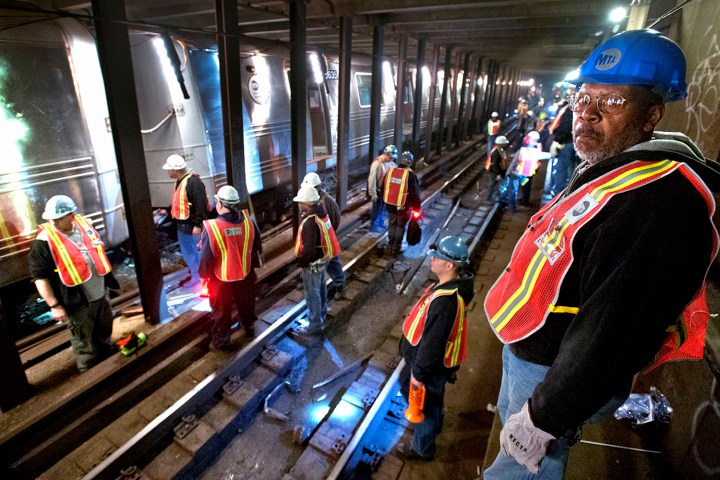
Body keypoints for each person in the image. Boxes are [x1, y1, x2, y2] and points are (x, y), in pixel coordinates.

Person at [483, 29, 720, 479]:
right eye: (582, 98)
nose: (587, 115)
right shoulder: (621, 170)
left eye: (611, 102)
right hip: (538, 354)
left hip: (553, 373)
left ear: (651, 114)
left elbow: (612, 330)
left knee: (520, 470)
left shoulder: (656, 206)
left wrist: (544, 418)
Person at [399, 236, 474, 461]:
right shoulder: (449, 287)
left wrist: (419, 375)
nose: (432, 258)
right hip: (426, 364)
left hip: (429, 368)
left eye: (438, 256)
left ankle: (423, 450)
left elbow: (432, 345)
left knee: (427, 407)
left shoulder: (445, 302)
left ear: (449, 265)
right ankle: (433, 423)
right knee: (424, 399)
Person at [29, 195, 119, 372]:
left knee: (104, 329)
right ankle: (89, 371)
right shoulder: (44, 241)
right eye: (51, 219)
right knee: (84, 340)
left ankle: (107, 358)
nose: (53, 222)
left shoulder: (85, 226)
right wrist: (54, 305)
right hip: (77, 302)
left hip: (100, 292)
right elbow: (40, 277)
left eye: (58, 218)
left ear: (71, 216)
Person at [198, 186, 262, 350]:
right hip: (245, 273)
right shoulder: (249, 221)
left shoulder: (212, 228)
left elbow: (206, 256)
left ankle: (222, 340)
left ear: (220, 204)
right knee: (246, 303)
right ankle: (249, 328)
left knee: (221, 310)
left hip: (221, 278)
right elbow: (257, 246)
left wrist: (204, 275)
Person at [293, 186, 342, 335]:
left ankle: (315, 325)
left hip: (313, 264)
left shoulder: (310, 222)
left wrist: (301, 262)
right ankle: (321, 315)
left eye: (300, 202)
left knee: (312, 293)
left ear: (307, 204)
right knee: (321, 289)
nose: (298, 204)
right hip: (323, 259)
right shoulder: (322, 213)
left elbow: (309, 250)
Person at [162, 154, 210, 286]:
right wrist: (166, 211)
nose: (168, 171)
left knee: (198, 254)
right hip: (182, 227)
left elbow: (200, 204)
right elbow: (179, 202)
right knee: (189, 254)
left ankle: (205, 281)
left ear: (175, 170)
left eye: (169, 169)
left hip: (192, 228)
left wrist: (198, 225)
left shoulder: (193, 182)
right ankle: (196, 278)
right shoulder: (179, 182)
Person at [302, 172, 346, 300]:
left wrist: (327, 235)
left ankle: (340, 285)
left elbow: (336, 218)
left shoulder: (326, 202)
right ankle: (339, 284)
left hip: (325, 240)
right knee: (329, 261)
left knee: (330, 262)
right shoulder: (315, 199)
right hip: (319, 240)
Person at [500, 131, 550, 211]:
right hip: (527, 175)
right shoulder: (537, 152)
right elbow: (548, 156)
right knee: (526, 188)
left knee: (513, 190)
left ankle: (512, 207)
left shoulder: (522, 150)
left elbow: (513, 163)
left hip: (516, 173)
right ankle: (524, 201)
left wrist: (507, 173)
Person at [383, 151, 421, 256]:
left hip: (390, 204)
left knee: (391, 225)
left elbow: (383, 187)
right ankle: (395, 249)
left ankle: (389, 245)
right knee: (400, 226)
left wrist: (385, 202)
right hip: (403, 206)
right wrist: (417, 209)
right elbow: (415, 194)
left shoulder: (390, 171)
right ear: (410, 162)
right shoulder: (411, 175)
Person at [548, 92, 581, 196]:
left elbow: (565, 126)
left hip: (566, 143)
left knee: (561, 169)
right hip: (577, 143)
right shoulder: (582, 108)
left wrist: (557, 140)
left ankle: (558, 195)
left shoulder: (569, 109)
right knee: (572, 169)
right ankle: (571, 192)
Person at [368, 145, 398, 232]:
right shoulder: (376, 164)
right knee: (377, 208)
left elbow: (394, 168)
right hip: (378, 191)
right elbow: (372, 179)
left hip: (386, 191)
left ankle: (380, 222)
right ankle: (374, 225)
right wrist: (372, 193)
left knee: (383, 208)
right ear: (386, 154)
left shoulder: (390, 162)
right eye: (391, 157)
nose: (392, 159)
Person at [485, 135, 509, 201]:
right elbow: (495, 164)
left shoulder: (500, 150)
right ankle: (489, 197)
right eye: (504, 143)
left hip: (499, 170)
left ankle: (496, 194)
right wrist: (498, 174)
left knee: (496, 183)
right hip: (494, 171)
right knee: (493, 183)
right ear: (500, 144)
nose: (506, 144)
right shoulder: (496, 152)